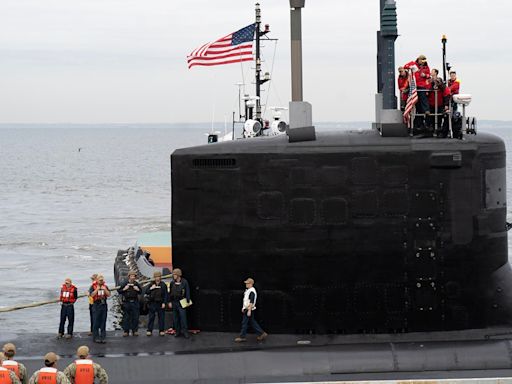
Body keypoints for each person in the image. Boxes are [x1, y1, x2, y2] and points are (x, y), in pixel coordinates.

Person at [234, 278, 268, 343]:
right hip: (247, 309)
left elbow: (251, 301)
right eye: (246, 283)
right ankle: (262, 334)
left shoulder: (251, 291)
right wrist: (243, 307)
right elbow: (247, 300)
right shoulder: (249, 290)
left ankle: (242, 337)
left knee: (244, 323)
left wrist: (249, 310)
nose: (246, 284)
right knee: (252, 322)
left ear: (251, 284)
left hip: (248, 309)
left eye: (247, 283)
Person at [404, 55, 431, 128]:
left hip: (422, 86)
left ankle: (426, 110)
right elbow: (405, 66)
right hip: (415, 86)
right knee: (418, 104)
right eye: (421, 61)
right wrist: (411, 67)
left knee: (423, 98)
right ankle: (418, 123)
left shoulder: (426, 67)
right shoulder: (413, 64)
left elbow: (429, 75)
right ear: (419, 60)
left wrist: (425, 75)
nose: (422, 63)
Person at [145, 271, 168, 336]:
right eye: (156, 277)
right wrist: (151, 288)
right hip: (152, 303)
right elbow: (146, 292)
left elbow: (166, 295)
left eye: (158, 277)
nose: (157, 278)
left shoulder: (163, 285)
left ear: (160, 277)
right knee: (151, 317)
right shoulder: (151, 284)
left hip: (160, 303)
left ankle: (161, 330)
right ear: (154, 278)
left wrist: (164, 303)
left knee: (161, 317)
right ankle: (149, 330)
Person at [169, 268, 191, 338]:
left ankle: (185, 332)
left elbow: (187, 291)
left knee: (183, 318)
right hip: (174, 302)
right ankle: (177, 331)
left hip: (181, 302)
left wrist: (187, 300)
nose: (173, 276)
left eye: (175, 274)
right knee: (175, 318)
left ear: (178, 275)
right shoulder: (172, 282)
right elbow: (170, 293)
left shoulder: (184, 282)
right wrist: (170, 301)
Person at [89, 274, 110, 344]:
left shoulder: (105, 286)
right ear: (97, 280)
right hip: (96, 305)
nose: (101, 281)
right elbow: (91, 295)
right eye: (100, 280)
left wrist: (105, 289)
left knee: (103, 321)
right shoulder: (93, 287)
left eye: (102, 280)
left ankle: (103, 337)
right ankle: (96, 337)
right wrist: (97, 289)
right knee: (96, 321)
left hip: (103, 304)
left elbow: (109, 294)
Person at [119, 271, 141, 337]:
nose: (133, 277)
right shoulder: (125, 283)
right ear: (129, 277)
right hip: (127, 302)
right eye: (131, 276)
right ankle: (126, 331)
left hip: (134, 302)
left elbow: (141, 292)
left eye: (134, 276)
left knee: (135, 317)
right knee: (126, 317)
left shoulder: (136, 284)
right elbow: (119, 291)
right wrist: (124, 289)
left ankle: (135, 331)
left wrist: (137, 289)